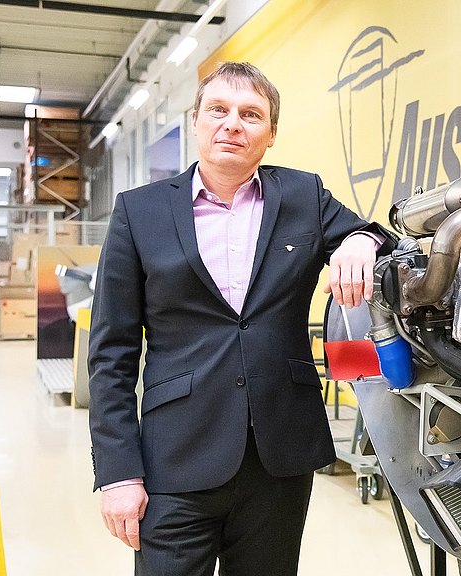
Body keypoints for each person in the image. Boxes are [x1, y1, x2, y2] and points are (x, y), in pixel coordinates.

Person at [88, 61, 395, 575]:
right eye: (219, 110)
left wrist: (361, 241)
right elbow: (111, 353)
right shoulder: (137, 212)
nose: (233, 124)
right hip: (175, 458)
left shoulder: (303, 195)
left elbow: (375, 234)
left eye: (251, 114)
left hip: (278, 456)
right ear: (196, 121)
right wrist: (118, 473)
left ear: (271, 134)